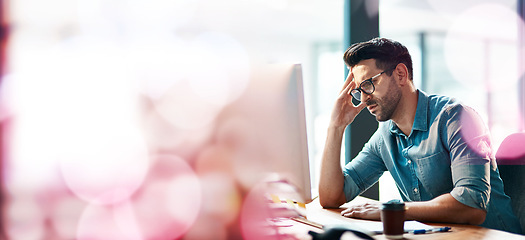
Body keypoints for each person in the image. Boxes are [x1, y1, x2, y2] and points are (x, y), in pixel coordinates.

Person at [318, 37, 522, 234]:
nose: (363, 99)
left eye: (369, 84)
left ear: (400, 74)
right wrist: (336, 126)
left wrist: (391, 211)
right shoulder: (385, 138)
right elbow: (332, 196)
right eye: (359, 90)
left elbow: (471, 205)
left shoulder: (457, 119)